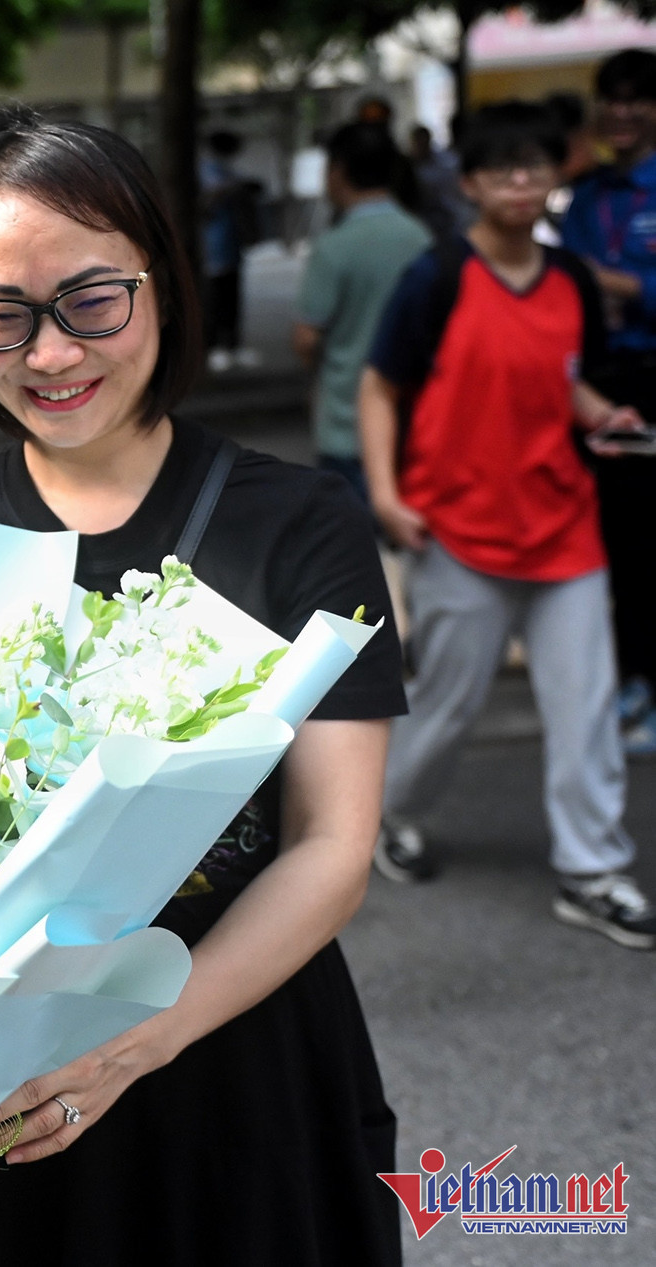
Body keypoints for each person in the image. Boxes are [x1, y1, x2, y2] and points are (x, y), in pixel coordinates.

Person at [0, 110, 408, 1263]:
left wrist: (135, 1040)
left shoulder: (296, 526)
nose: (49, 353)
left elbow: (330, 847)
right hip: (7, 1116)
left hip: (242, 1071)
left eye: (90, 299)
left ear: (163, 281)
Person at [360, 101, 656, 951]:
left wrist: (607, 415)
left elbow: (564, 380)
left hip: (565, 530)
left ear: (556, 174)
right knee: (447, 705)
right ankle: (391, 815)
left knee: (587, 707)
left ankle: (593, 870)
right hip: (463, 531)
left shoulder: (570, 282)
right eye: (503, 171)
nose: (522, 184)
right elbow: (382, 387)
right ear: (472, 185)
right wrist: (387, 491)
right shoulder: (437, 278)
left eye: (535, 167)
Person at [563, 49, 656, 753]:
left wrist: (622, 287)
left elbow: (603, 282)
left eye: (637, 100)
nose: (621, 113)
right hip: (603, 390)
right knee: (618, 541)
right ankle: (631, 684)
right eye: (611, 99)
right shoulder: (587, 195)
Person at [292, 122, 433, 503]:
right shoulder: (420, 237)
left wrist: (315, 378)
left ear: (337, 172)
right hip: (410, 418)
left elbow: (307, 336)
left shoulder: (334, 247)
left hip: (345, 421)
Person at [200, 131, 260, 372]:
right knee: (215, 298)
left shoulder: (227, 172)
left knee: (231, 296)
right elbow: (208, 200)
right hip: (213, 245)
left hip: (230, 244)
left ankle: (232, 344)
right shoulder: (207, 171)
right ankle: (215, 346)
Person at [411, 122, 474, 242]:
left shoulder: (448, 162)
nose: (421, 144)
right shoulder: (410, 166)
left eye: (423, 140)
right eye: (418, 141)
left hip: (452, 214)